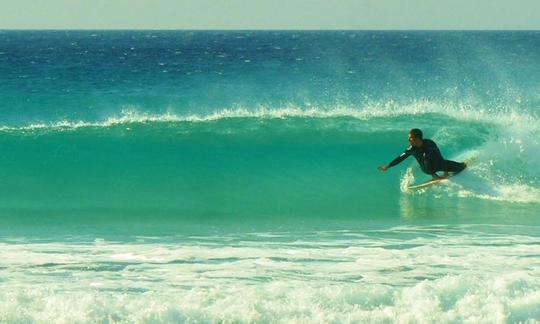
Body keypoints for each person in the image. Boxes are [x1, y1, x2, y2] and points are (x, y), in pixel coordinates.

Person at [378, 128, 466, 180]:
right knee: (425, 156)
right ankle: (434, 175)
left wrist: (445, 169)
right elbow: (400, 158)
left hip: (438, 164)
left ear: (417, 139)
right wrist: (388, 166)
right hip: (426, 168)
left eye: (410, 139)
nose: (408, 140)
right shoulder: (411, 149)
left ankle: (454, 167)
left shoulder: (429, 144)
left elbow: (438, 155)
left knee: (462, 167)